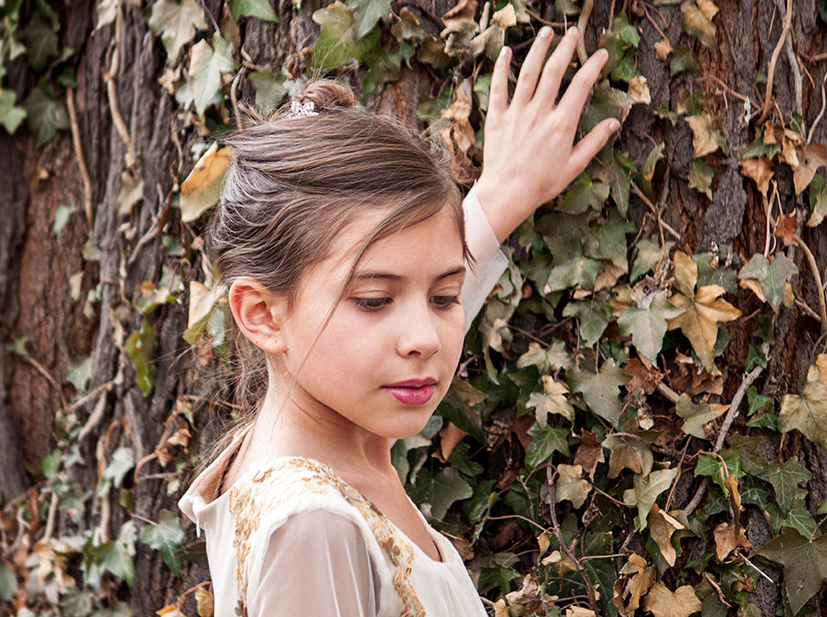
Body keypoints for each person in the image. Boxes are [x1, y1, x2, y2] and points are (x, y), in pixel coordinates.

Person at [178, 25, 618, 617]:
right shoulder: (314, 528)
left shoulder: (334, 435)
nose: (424, 340)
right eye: (373, 301)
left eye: (444, 298)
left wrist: (504, 193)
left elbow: (405, 272)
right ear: (263, 314)